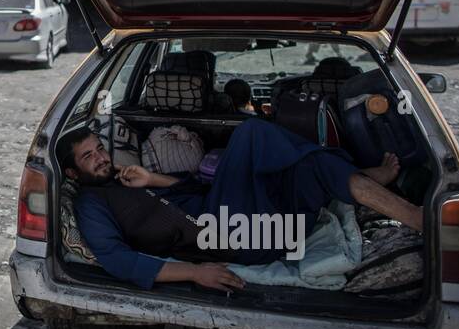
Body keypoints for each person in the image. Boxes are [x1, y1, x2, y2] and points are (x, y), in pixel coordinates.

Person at [62, 117, 417, 291]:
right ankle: (359, 178)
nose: (100, 158)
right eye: (87, 157)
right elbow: (118, 260)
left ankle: (415, 216)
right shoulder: (92, 203)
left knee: (312, 167)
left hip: (247, 219)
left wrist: (152, 180)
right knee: (250, 133)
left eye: (100, 149)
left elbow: (195, 190)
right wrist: (196, 273)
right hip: (226, 235)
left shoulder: (123, 178)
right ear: (73, 173)